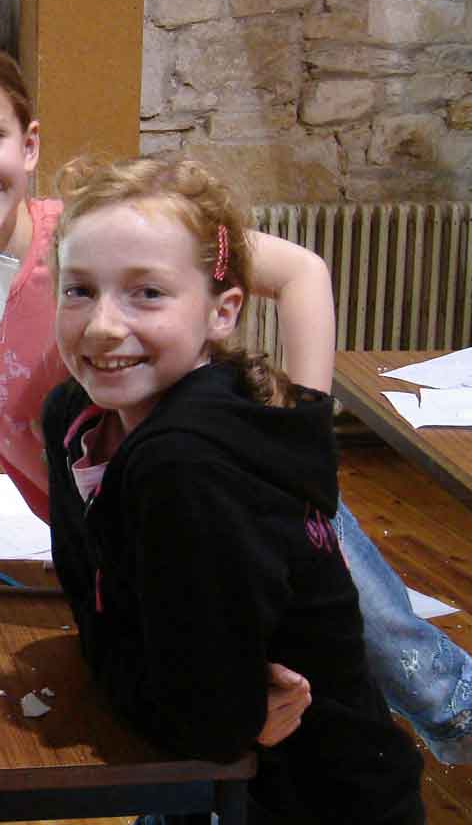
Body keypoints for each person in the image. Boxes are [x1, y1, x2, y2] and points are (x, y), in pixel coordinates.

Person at [0, 34, 472, 765]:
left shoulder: (105, 235)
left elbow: (301, 271)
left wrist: (306, 430)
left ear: (28, 145)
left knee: (410, 670)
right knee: (226, 700)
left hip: (242, 498)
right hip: (135, 539)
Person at [38, 155, 423, 821]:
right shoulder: (72, 414)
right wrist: (163, 680)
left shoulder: (185, 466)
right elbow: (95, 612)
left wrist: (189, 693)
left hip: (315, 796)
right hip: (205, 771)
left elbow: (208, 722)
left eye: (146, 293)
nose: (101, 325)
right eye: (79, 290)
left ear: (222, 313)